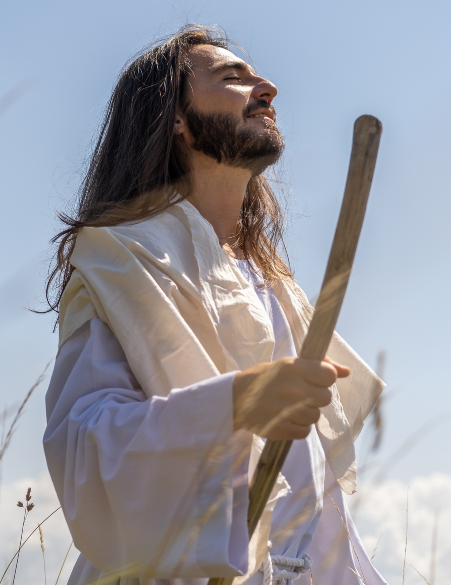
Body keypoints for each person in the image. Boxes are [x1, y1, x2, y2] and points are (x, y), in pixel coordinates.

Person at [42, 24, 386, 585]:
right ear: (175, 118)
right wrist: (239, 401)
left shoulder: (273, 281)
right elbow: (87, 452)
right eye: (233, 77)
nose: (267, 86)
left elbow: (313, 493)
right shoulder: (122, 262)